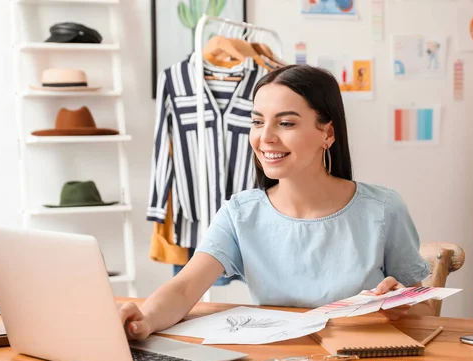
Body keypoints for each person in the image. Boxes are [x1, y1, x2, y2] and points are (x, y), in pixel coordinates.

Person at [121, 65, 430, 341]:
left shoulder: (383, 209)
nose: (265, 137)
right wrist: (145, 319)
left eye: (285, 124)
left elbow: (426, 312)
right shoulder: (240, 214)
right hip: (277, 360)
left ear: (328, 133)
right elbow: (184, 288)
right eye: (257, 122)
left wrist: (403, 305)